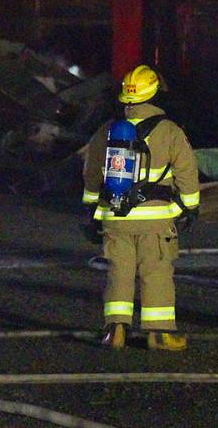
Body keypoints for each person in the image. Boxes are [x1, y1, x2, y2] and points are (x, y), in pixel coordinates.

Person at [82, 65, 199, 351]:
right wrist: (189, 207)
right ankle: (159, 334)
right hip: (155, 220)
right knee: (156, 272)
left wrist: (92, 210)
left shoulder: (107, 131)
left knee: (119, 272)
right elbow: (187, 173)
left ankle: (115, 330)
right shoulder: (170, 131)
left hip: (115, 216)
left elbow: (91, 173)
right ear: (155, 93)